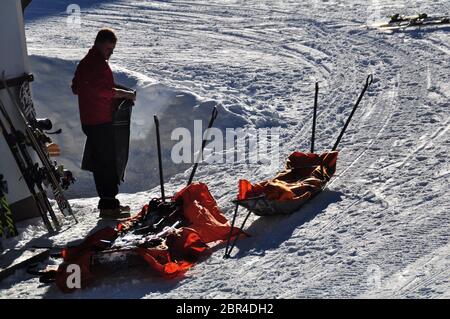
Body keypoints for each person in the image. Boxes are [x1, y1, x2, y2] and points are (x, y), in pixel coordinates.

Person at [71, 28, 136, 219]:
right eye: (108, 48)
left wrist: (91, 93)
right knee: (106, 164)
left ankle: (109, 204)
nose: (110, 53)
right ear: (98, 43)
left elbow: (76, 88)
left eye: (112, 50)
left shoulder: (86, 62)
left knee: (101, 163)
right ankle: (109, 206)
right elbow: (104, 91)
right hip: (100, 121)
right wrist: (126, 94)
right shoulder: (96, 64)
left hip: (90, 120)